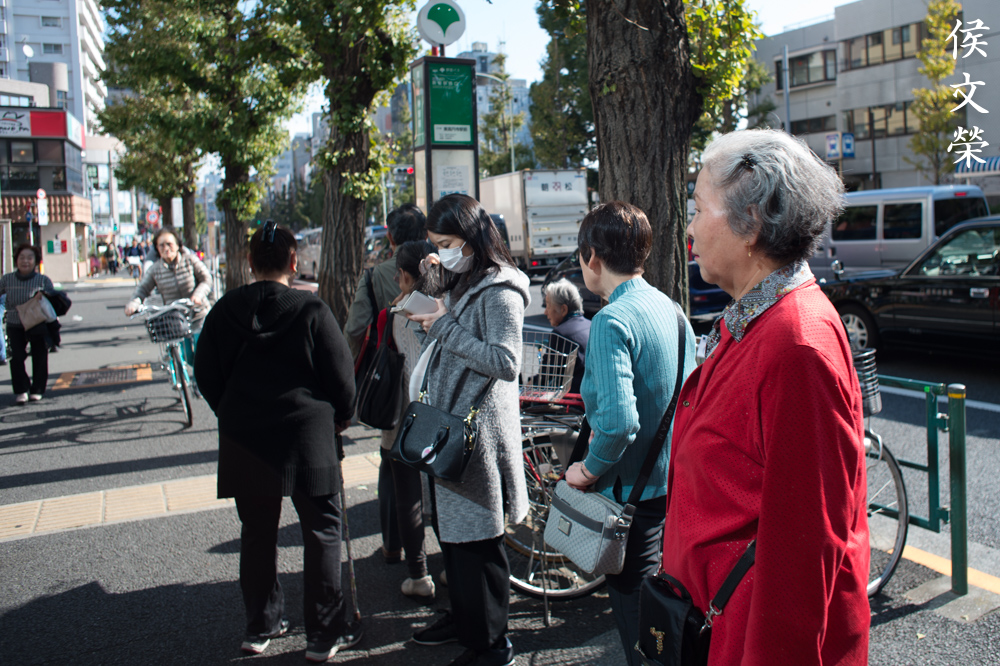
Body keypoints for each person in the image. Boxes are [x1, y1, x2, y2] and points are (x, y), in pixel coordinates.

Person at [661, 129, 869, 664]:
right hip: (718, 623)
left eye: (697, 208)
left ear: (750, 222)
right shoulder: (761, 319)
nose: (689, 226)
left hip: (749, 639)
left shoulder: (796, 343)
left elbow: (804, 552)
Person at [194, 222, 361, 662]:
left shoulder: (224, 311)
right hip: (308, 435)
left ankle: (260, 625)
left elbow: (205, 373)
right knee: (322, 530)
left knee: (257, 531)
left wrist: (230, 409)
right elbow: (341, 376)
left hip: (245, 437)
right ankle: (323, 634)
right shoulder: (311, 309)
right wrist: (342, 415)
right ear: (293, 261)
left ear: (249, 262)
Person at [561, 202, 696, 666]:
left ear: (592, 257)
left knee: (639, 629)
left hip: (628, 500)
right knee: (664, 622)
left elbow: (619, 423)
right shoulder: (671, 308)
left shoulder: (610, 320)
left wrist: (585, 470)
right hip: (673, 492)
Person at [405, 194, 529, 666]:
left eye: (448, 244)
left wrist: (442, 326)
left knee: (478, 543)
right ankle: (464, 619)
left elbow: (506, 361)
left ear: (473, 238)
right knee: (455, 539)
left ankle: (493, 645)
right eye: (436, 245)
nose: (443, 253)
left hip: (477, 434)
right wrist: (430, 302)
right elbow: (445, 342)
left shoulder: (501, 288)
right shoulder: (463, 279)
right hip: (449, 426)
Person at [343, 203, 427, 566]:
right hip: (437, 388)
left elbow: (353, 328)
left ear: (389, 236)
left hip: (394, 385)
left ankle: (395, 547)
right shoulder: (442, 268)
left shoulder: (376, 275)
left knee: (394, 465)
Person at [371, 239, 443, 600]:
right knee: (444, 491)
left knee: (408, 496)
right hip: (443, 413)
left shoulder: (395, 313)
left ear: (401, 274)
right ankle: (452, 565)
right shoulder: (446, 306)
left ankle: (418, 575)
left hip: (405, 416)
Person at [125, 228, 212, 363]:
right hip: (176, 320)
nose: (166, 248)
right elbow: (142, 289)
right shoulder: (155, 270)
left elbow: (206, 279)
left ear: (177, 245)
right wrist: (134, 303)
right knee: (187, 357)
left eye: (169, 244)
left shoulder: (190, 260)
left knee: (203, 354)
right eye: (161, 245)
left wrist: (198, 295)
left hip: (198, 314)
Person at [0, 245, 56, 404]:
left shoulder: (43, 280)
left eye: (29, 258)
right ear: (16, 260)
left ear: (36, 261)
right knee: (17, 358)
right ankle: (21, 390)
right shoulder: (7, 279)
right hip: (15, 323)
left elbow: (53, 301)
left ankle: (37, 389)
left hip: (37, 323)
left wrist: (44, 296)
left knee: (40, 356)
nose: (25, 261)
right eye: (22, 257)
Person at [541, 277, 591, 394]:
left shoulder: (561, 334)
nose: (545, 312)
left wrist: (531, 383)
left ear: (563, 309)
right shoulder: (590, 324)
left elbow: (546, 374)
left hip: (573, 396)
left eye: (548, 306)